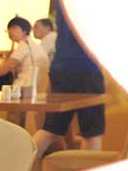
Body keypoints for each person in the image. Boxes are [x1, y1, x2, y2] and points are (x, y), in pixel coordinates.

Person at [32, 13, 106, 157]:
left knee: (52, 128)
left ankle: (15, 168)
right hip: (86, 67)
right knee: (92, 131)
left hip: (62, 67)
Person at [0, 17, 50, 89]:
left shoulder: (24, 45)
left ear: (25, 31)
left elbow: (2, 70)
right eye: (9, 28)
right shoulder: (34, 46)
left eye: (14, 28)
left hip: (25, 88)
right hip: (39, 88)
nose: (10, 31)